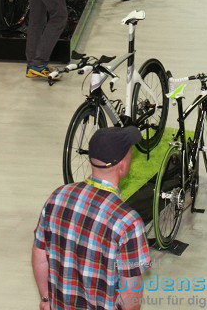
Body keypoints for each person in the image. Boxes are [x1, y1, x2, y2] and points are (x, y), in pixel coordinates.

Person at [32, 126, 150, 309]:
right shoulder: (128, 222)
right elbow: (129, 289)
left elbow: (39, 254)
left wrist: (46, 299)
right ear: (122, 164)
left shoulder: (58, 196)